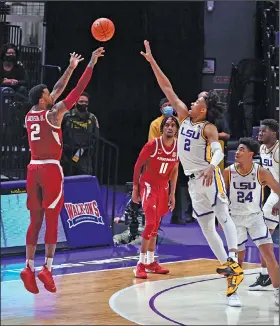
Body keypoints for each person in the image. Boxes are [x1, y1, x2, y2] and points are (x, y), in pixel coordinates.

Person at [140, 40, 243, 305]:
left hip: (210, 176)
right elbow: (167, 88)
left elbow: (218, 150)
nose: (192, 101)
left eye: (197, 100)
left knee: (223, 216)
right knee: (206, 228)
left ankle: (233, 259)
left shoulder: (208, 127)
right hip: (194, 182)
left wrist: (212, 164)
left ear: (204, 109)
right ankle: (229, 270)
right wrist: (152, 62)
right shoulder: (184, 116)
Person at [20, 48, 105, 294]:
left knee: (34, 221)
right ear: (42, 99)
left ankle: (28, 267)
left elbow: (56, 89)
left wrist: (70, 66)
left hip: (32, 168)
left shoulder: (30, 115)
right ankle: (47, 267)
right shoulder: (54, 113)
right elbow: (77, 90)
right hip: (50, 170)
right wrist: (90, 63)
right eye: (48, 94)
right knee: (52, 218)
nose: (52, 95)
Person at [222, 137, 279, 306]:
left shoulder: (261, 171)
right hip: (235, 218)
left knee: (269, 255)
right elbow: (221, 196)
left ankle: (277, 291)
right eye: (237, 149)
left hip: (255, 217)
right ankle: (232, 293)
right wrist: (222, 216)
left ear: (250, 154)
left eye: (241, 150)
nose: (237, 152)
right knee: (236, 259)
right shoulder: (228, 171)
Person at [132, 116, 179, 279]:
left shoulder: (178, 147)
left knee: (156, 226)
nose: (170, 128)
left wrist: (173, 193)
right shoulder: (153, 144)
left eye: (173, 125)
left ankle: (151, 262)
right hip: (149, 186)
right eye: (167, 125)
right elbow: (138, 165)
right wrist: (135, 188)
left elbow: (174, 170)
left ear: (176, 129)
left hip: (163, 188)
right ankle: (140, 264)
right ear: (162, 128)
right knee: (150, 223)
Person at [248, 119, 279, 291]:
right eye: (259, 131)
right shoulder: (262, 149)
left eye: (264, 131)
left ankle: (267, 275)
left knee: (263, 235)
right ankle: (265, 275)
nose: (260, 134)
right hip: (275, 194)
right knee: (263, 235)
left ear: (273, 133)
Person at [148, 97, 186, 225]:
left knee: (176, 186)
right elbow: (152, 143)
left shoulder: (178, 123)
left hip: (175, 158)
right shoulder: (155, 124)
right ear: (161, 109)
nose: (169, 107)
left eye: (171, 105)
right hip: (160, 160)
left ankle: (177, 216)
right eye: (166, 105)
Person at [62, 91, 100, 176]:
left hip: (84, 154)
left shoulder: (92, 118)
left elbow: (96, 136)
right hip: (68, 153)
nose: (84, 104)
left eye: (86, 102)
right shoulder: (67, 116)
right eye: (81, 102)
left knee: (85, 179)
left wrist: (87, 149)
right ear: (75, 102)